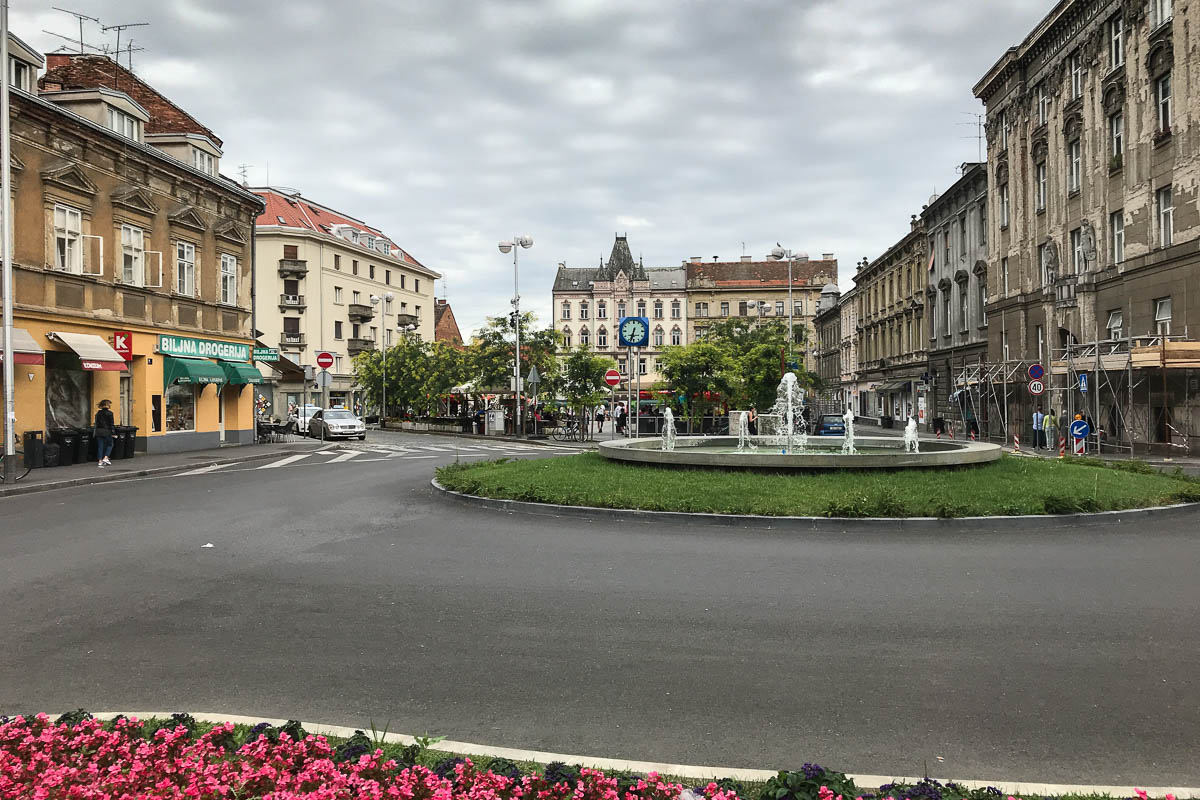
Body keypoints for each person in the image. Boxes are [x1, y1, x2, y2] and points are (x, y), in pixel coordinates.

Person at [94, 399, 116, 467]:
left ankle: (100, 461)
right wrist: (113, 433)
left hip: (99, 431)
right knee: (110, 444)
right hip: (107, 431)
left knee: (100, 446)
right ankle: (106, 457)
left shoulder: (98, 413)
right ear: (107, 405)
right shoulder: (110, 413)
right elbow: (111, 424)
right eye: (109, 404)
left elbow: (96, 423)